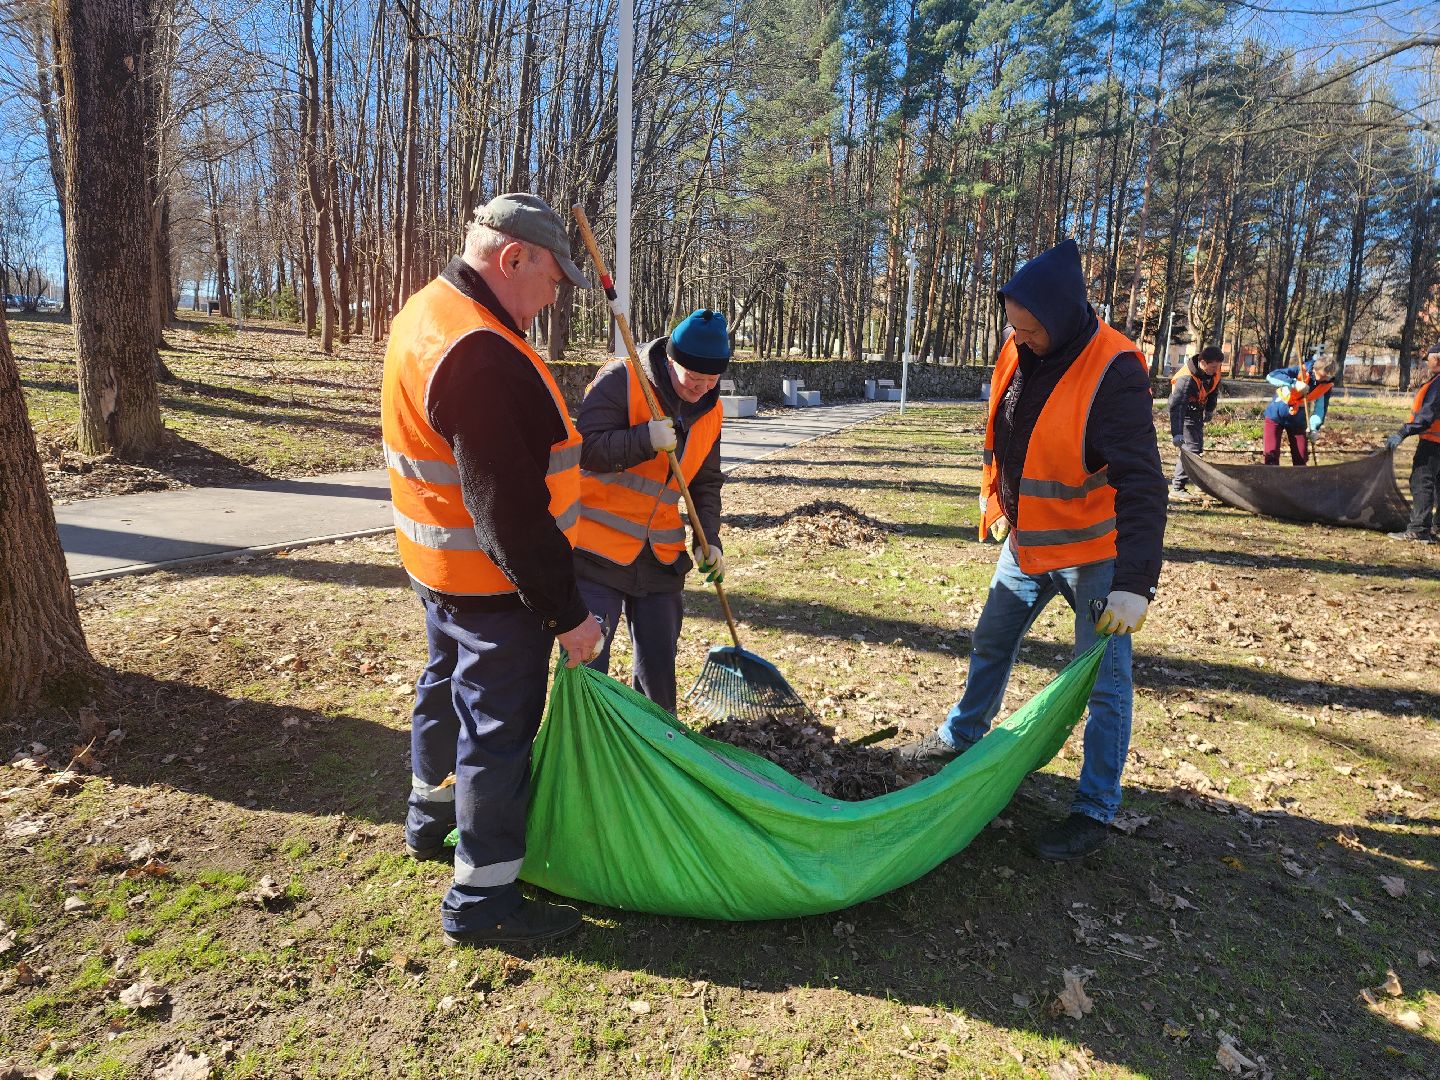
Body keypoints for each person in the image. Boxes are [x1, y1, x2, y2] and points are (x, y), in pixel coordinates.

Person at [896, 238, 1168, 861]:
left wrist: (1134, 584)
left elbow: (1144, 483)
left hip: (1096, 555)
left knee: (1103, 680)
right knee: (992, 638)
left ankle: (1095, 808)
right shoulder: (1017, 348)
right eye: (1012, 323)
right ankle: (960, 736)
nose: (1019, 335)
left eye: (1030, 326)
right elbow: (1007, 434)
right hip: (1027, 543)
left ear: (1066, 314)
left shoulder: (1114, 371)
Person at [381, 192, 604, 947]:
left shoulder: (426, 312)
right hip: (492, 587)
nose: (553, 297)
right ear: (513, 260)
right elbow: (509, 514)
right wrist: (568, 614)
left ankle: (428, 817)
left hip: (440, 571)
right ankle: (484, 898)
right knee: (497, 730)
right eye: (550, 281)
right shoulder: (478, 350)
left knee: (443, 686)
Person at [574, 309, 729, 713]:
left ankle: (656, 744)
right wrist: (643, 439)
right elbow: (584, 449)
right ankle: (586, 744)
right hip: (596, 550)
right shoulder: (623, 380)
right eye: (693, 378)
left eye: (711, 380)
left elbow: (705, 483)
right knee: (589, 660)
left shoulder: (712, 411)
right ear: (671, 359)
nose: (700, 388)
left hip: (660, 554)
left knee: (659, 666)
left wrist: (707, 540)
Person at [1384, 343, 1440, 543]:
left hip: (1434, 442)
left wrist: (1402, 433)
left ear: (1437, 359)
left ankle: (1418, 530)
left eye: (1429, 360)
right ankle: (1437, 527)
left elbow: (1427, 415)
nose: (1427, 364)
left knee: (1421, 481)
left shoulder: (1438, 384)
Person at [1167, 345, 1225, 499]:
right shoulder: (1186, 378)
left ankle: (1189, 484)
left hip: (1196, 411)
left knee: (1196, 447)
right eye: (1213, 367)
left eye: (1218, 366)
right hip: (1184, 412)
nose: (1216, 370)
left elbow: (1213, 391)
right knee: (1191, 448)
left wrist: (1209, 410)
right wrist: (1177, 433)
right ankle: (1178, 486)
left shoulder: (1213, 372)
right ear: (1203, 362)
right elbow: (1177, 407)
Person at [1262, 354, 1337, 466]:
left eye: (1327, 377)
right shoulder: (1301, 370)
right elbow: (1272, 376)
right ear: (1315, 369)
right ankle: (1271, 480)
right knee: (1271, 455)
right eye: (1321, 376)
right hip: (1275, 414)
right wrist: (1294, 383)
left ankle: (1300, 482)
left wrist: (1314, 427)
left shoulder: (1326, 385)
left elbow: (1320, 409)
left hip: (1298, 419)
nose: (1323, 380)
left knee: (1301, 458)